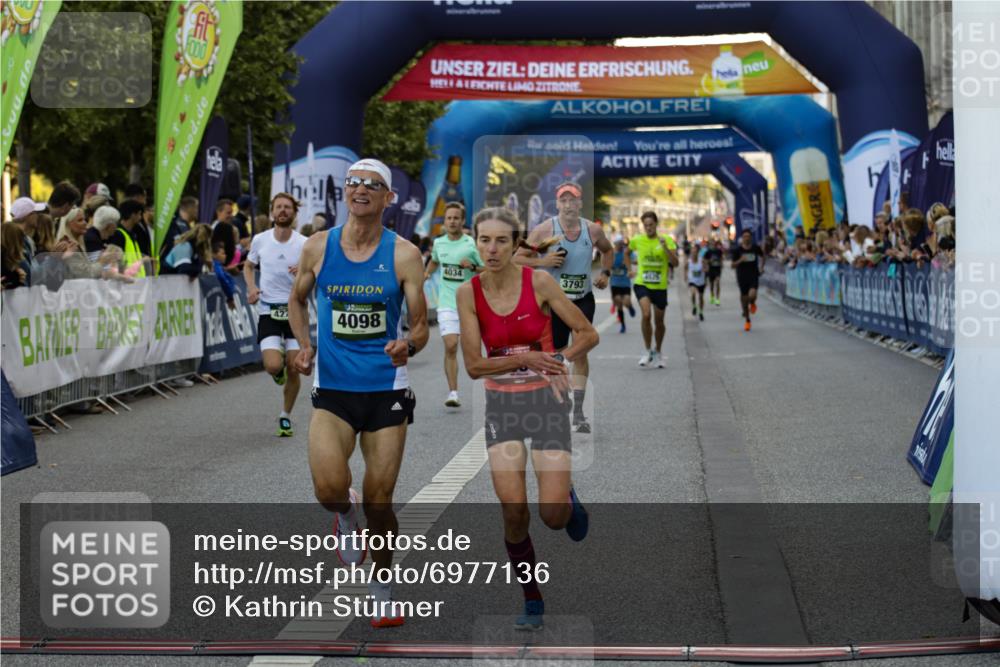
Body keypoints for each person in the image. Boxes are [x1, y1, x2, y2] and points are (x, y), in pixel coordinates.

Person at [288, 158, 428, 628]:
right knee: (329, 490)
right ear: (345, 192)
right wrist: (303, 344)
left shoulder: (404, 254)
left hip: (386, 389)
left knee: (380, 502)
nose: (360, 189)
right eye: (353, 182)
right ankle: (345, 517)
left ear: (389, 198)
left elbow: (421, 326)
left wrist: (408, 345)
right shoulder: (318, 246)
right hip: (333, 388)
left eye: (372, 184)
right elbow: (296, 300)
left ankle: (382, 591)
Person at [456, 206, 596, 631]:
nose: (492, 249)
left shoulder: (539, 282)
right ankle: (531, 596)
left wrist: (558, 360)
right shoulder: (468, 294)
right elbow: (474, 366)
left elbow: (587, 333)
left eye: (501, 240)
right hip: (502, 407)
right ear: (475, 243)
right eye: (484, 240)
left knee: (552, 516)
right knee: (513, 509)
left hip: (546, 402)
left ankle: (566, 498)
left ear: (516, 244)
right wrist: (526, 359)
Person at [515, 181, 613, 433]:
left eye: (573, 200)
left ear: (580, 204)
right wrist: (544, 261)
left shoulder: (592, 230)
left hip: (582, 299)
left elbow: (608, 250)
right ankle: (564, 399)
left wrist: (605, 273)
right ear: (557, 204)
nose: (568, 205)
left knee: (580, 352)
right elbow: (517, 258)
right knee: (558, 353)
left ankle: (578, 412)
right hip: (555, 302)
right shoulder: (545, 230)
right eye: (563, 200)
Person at [244, 193, 308, 437]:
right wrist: (251, 287)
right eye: (278, 207)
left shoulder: (304, 243)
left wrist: (304, 270)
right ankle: (277, 370)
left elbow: (317, 270)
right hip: (269, 310)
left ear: (294, 213)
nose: (283, 210)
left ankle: (285, 416)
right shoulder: (260, 240)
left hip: (295, 310)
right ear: (272, 212)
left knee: (294, 367)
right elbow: (248, 266)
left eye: (287, 207)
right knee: (273, 366)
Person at [423, 201, 483, 407]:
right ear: (445, 221)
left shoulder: (471, 244)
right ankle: (453, 393)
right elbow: (434, 260)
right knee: (450, 345)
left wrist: (473, 267)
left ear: (462, 220)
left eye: (456, 218)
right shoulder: (439, 243)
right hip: (447, 302)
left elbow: (489, 269)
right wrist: (426, 274)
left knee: (473, 351)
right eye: (449, 218)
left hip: (470, 304)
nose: (452, 221)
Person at [628, 211, 678, 368]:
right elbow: (626, 252)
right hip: (642, 283)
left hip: (660, 286)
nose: (648, 228)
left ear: (656, 224)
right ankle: (647, 350)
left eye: (651, 225)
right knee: (646, 314)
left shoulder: (667, 240)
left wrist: (665, 248)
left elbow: (675, 263)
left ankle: (658, 351)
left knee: (659, 321)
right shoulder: (637, 240)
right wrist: (629, 269)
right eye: (646, 225)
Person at [730, 229, 764, 331]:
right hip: (742, 277)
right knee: (744, 299)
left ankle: (752, 303)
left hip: (753, 275)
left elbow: (763, 256)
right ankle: (747, 320)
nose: (746, 238)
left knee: (752, 295)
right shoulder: (738, 250)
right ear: (742, 238)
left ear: (751, 238)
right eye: (745, 236)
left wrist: (761, 267)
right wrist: (740, 260)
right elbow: (732, 265)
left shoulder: (755, 248)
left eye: (748, 236)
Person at [107, 201, 150, 277]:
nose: (140, 217)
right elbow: (116, 262)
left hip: (137, 280)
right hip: (126, 281)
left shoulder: (133, 234)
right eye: (139, 214)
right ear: (132, 215)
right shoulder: (118, 235)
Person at [160, 196, 199, 274]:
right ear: (190, 208)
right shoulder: (173, 225)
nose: (198, 211)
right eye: (197, 208)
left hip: (183, 271)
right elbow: (176, 244)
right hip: (171, 273)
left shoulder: (188, 227)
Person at [609, 233, 635, 333]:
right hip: (614, 283)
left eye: (621, 243)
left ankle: (630, 307)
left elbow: (635, 259)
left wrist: (631, 263)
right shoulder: (611, 253)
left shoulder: (626, 252)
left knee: (626, 302)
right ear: (615, 243)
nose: (620, 245)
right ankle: (623, 325)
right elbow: (606, 264)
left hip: (625, 282)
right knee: (619, 303)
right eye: (618, 243)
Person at [687, 240, 708, 322]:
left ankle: (701, 312)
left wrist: (704, 269)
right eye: (692, 252)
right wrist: (685, 276)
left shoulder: (701, 260)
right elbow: (685, 268)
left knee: (701, 297)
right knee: (693, 293)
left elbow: (707, 268)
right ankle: (694, 306)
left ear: (697, 253)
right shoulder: (689, 261)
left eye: (695, 252)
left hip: (701, 281)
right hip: (692, 280)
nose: (693, 254)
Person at [704, 237, 724, 306]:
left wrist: (721, 263)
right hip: (711, 269)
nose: (712, 243)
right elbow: (705, 260)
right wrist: (709, 261)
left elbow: (721, 258)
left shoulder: (718, 251)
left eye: (713, 242)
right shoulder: (708, 252)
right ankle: (712, 296)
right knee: (712, 284)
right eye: (711, 242)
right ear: (709, 243)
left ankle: (717, 299)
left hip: (717, 269)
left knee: (717, 282)